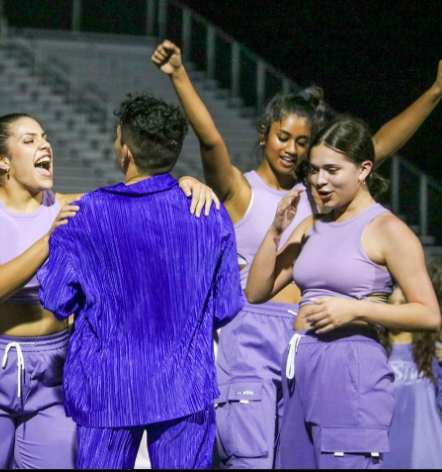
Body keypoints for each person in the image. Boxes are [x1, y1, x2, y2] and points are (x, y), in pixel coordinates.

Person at [153, 41, 442, 469]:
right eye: (283, 137)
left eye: (302, 143)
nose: (291, 149)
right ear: (264, 135)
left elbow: (377, 146)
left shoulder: (322, 196)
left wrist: (434, 93)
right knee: (251, 459)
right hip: (255, 335)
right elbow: (210, 139)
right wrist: (179, 74)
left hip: (312, 340)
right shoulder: (242, 189)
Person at [0, 112, 217, 469]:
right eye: (29, 140)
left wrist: (187, 183)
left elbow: (143, 197)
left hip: (53, 372)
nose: (44, 144)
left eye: (44, 137)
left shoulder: (73, 206)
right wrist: (50, 239)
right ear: (2, 160)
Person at [36, 94, 243, 470]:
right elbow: (227, 307)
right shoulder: (208, 211)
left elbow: (55, 299)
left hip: (107, 386)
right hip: (184, 385)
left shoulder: (86, 214)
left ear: (125, 151)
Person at [245, 116, 442, 469]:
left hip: (349, 363)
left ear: (364, 169)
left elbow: (429, 314)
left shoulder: (388, 230)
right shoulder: (310, 226)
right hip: (298, 361)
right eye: (315, 170)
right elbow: (256, 291)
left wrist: (356, 310)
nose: (320, 180)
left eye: (332, 170)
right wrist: (276, 229)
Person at [379, 284, 442, 469]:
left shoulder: (434, 353)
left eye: (404, 303)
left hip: (428, 457)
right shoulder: (374, 351)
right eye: (392, 303)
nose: (397, 309)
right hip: (385, 459)